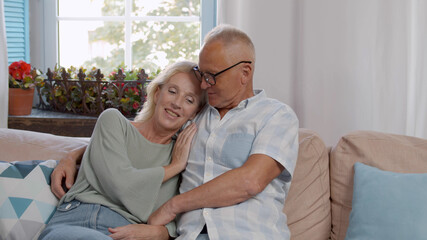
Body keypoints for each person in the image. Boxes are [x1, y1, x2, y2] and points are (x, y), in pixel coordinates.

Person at [52, 24, 299, 240]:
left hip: (248, 234)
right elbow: (131, 141)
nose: (204, 85)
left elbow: (250, 181)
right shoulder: (195, 118)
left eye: (211, 77)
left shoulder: (276, 116)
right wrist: (72, 156)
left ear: (245, 73)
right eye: (203, 75)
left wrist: (172, 207)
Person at [39, 61, 206, 240]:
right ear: (157, 94)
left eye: (189, 100)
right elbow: (121, 184)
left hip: (128, 233)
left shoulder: (184, 153)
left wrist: (162, 232)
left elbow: (180, 213)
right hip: (77, 221)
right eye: (172, 91)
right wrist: (175, 166)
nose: (177, 103)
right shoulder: (113, 122)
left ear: (195, 113)